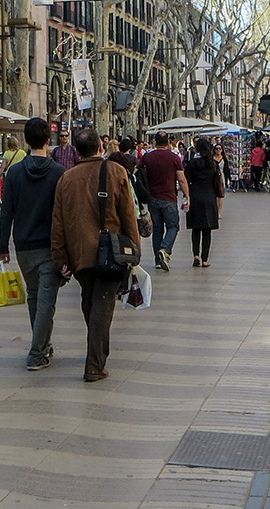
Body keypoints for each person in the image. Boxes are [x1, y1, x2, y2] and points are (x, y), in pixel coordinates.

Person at [50, 128, 140, 383]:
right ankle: (94, 365)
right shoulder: (116, 172)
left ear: (76, 150)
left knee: (90, 302)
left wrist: (60, 258)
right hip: (109, 254)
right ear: (100, 147)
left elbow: (58, 223)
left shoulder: (66, 179)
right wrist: (135, 250)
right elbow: (128, 216)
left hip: (80, 254)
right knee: (101, 306)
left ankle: (96, 350)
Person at [0, 118, 66, 371]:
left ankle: (44, 345)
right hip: (49, 246)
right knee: (46, 302)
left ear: (26, 141)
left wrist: (2, 247)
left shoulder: (14, 173)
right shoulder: (59, 173)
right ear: (49, 140)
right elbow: (64, 215)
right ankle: (36, 353)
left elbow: (7, 213)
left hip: (23, 246)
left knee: (35, 297)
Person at [138, 132, 189, 272]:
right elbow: (182, 179)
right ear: (168, 142)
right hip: (169, 197)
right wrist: (187, 196)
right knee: (173, 226)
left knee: (158, 229)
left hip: (153, 198)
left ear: (155, 142)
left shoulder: (147, 157)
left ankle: (157, 260)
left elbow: (136, 171)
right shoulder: (174, 158)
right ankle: (165, 250)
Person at [184, 138, 225, 267]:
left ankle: (195, 255)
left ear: (197, 148)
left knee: (196, 229)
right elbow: (216, 182)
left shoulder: (191, 164)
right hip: (209, 196)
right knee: (207, 230)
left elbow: (186, 180)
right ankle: (205, 259)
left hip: (195, 195)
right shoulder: (213, 164)